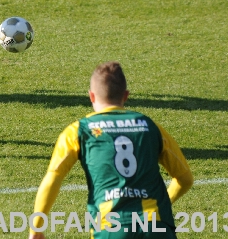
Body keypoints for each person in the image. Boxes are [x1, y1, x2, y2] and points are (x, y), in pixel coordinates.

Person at [29, 62, 194, 238]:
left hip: (111, 228)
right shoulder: (151, 127)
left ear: (91, 96)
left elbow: (53, 177)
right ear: (126, 95)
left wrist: (36, 228)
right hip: (157, 228)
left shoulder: (78, 131)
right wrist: (163, 204)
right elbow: (185, 179)